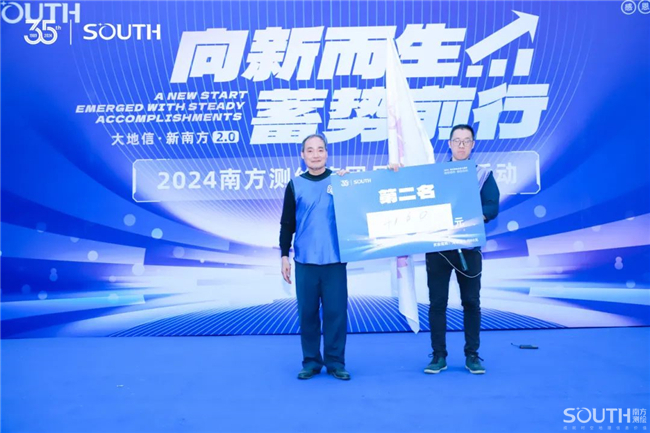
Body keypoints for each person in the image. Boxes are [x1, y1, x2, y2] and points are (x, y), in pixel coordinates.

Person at [423, 124, 500, 375]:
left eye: (467, 141)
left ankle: (472, 355)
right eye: (457, 141)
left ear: (473, 144)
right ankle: (438, 355)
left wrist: (470, 218)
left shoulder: (482, 174)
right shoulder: (435, 174)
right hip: (438, 248)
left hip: (468, 247)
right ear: (449, 144)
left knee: (471, 302)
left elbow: (492, 206)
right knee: (437, 303)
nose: (461, 145)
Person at [279, 133, 350, 381]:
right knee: (307, 313)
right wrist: (284, 255)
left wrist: (349, 185)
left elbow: (358, 209)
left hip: (335, 259)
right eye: (310, 150)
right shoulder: (295, 185)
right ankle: (311, 361)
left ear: (327, 153)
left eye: (320, 149)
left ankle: (335, 362)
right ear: (302, 155)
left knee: (336, 313)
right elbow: (287, 224)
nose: (316, 155)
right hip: (305, 261)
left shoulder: (340, 181)